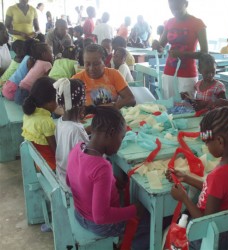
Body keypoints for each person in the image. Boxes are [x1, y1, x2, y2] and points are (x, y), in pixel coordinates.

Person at [166, 107, 228, 249]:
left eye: (207, 142)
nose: (206, 146)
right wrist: (186, 177)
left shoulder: (218, 176)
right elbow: (216, 191)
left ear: (219, 141)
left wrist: (184, 198)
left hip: (212, 239)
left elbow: (205, 223)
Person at [66, 106, 151, 249]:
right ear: (111, 133)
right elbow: (101, 217)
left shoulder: (77, 148)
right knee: (150, 220)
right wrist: (135, 210)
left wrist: (111, 182)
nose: (121, 143)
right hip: (100, 225)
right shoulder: (102, 167)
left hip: (79, 214)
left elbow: (71, 181)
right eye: (121, 138)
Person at [158, 0, 208, 99]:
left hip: (187, 74)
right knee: (167, 105)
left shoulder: (197, 23)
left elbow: (205, 52)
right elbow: (161, 46)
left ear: (186, 4)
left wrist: (182, 54)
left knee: (187, 107)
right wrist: (156, 45)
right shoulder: (170, 22)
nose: (175, 11)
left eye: (177, 8)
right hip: (169, 71)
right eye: (172, 8)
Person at [72, 44, 135, 108]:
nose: (91, 68)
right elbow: (65, 105)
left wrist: (113, 106)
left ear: (104, 62)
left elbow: (131, 99)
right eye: (87, 64)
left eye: (96, 64)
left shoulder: (114, 74)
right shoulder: (77, 80)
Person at [54, 78, 88, 188]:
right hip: (73, 182)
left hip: (62, 174)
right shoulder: (76, 130)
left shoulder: (60, 122)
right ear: (82, 102)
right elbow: (87, 159)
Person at [22, 76, 57, 170]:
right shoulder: (46, 121)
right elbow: (56, 151)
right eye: (58, 99)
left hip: (38, 163)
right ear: (50, 102)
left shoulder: (28, 114)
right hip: (51, 167)